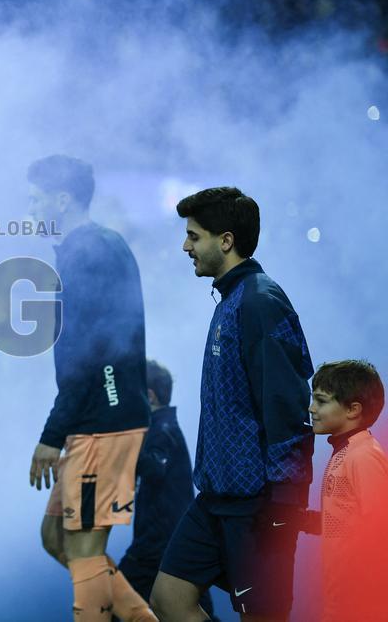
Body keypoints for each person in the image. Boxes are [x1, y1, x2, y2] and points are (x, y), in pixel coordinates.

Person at [151, 187, 314, 622]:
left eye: (194, 236)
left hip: (258, 505)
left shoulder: (260, 300)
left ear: (225, 240)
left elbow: (288, 406)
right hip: (215, 497)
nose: (186, 246)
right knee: (169, 598)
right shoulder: (230, 299)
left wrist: (283, 504)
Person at [26, 155, 155, 622]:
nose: (31, 211)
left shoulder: (88, 252)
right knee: (56, 537)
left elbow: (88, 354)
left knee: (82, 550)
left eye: (36, 200)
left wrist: (51, 435)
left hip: (103, 422)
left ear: (62, 200)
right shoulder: (98, 245)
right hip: (105, 415)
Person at [117, 360, 215, 621]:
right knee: (193, 607)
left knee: (112, 600)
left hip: (157, 546)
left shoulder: (163, 431)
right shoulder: (161, 428)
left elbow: (153, 466)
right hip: (168, 543)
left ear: (149, 396)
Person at [308, 359, 388, 621]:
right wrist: (301, 520)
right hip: (338, 602)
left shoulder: (363, 456)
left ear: (353, 410)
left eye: (321, 401)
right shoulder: (345, 451)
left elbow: (379, 532)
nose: (311, 408)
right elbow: (347, 522)